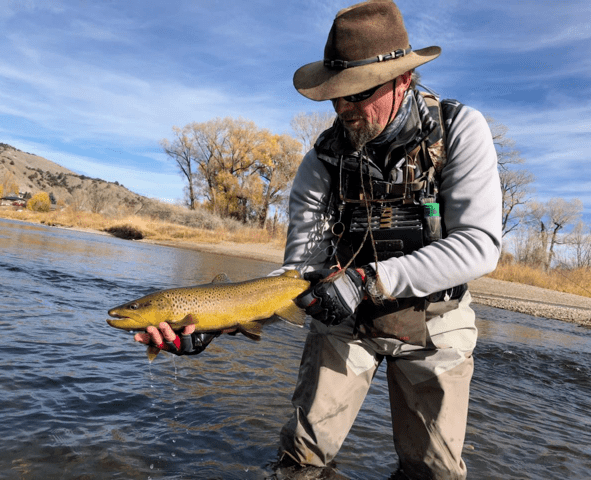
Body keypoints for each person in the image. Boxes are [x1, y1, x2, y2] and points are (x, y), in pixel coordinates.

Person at [137, 1, 501, 478]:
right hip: (342, 321)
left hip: (435, 325)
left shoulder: (458, 131)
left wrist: (369, 280)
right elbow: (298, 272)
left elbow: (479, 245)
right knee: (300, 461)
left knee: (432, 473)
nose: (344, 108)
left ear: (403, 80)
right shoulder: (321, 162)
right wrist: (210, 322)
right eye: (336, 96)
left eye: (359, 93)